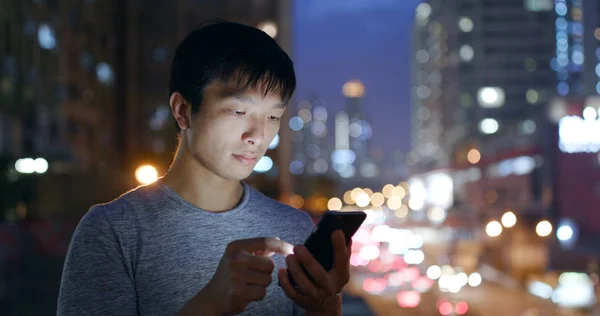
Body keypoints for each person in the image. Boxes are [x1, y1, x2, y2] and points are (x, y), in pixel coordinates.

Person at [57, 21, 351, 316]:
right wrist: (209, 305)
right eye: (238, 111)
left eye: (273, 116)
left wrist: (325, 307)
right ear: (183, 110)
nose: (258, 136)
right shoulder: (112, 232)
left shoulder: (294, 230)